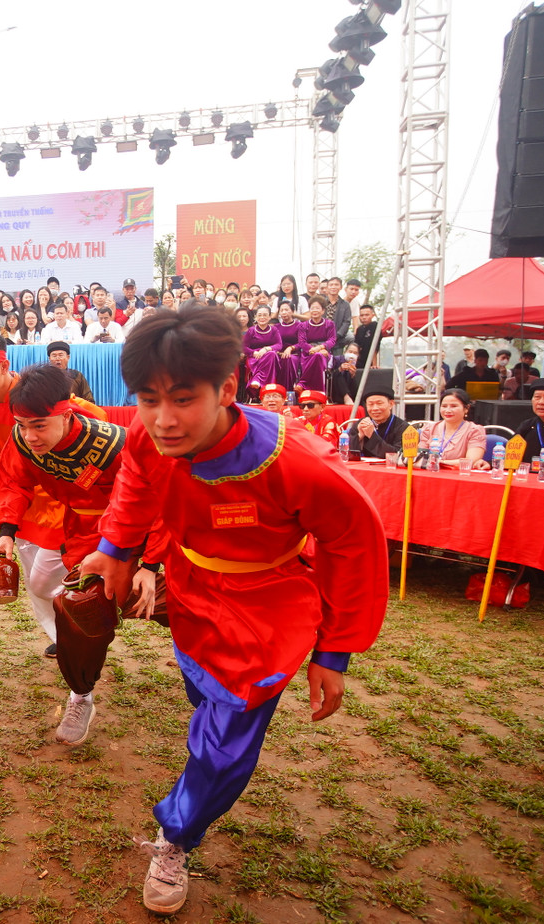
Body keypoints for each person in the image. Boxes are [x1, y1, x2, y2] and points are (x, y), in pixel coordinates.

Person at [77, 307, 387, 915]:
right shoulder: (146, 435)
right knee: (206, 705)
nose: (163, 420)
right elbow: (136, 481)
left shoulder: (298, 462)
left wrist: (334, 650)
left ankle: (176, 836)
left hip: (267, 612)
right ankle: (204, 757)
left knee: (224, 741)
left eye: (183, 399)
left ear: (226, 388)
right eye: (147, 399)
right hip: (191, 594)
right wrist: (116, 550)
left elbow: (355, 543)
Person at [0, 364, 166, 745]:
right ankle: (81, 694)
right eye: (21, 425)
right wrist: (7, 532)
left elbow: (158, 502)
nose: (29, 435)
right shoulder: (22, 440)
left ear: (67, 414)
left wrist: (150, 564)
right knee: (82, 608)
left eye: (39, 424)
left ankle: (209, 670)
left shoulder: (115, 445)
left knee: (172, 602)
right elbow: (13, 482)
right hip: (81, 534)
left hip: (135, 530)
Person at [0, 332, 106, 657]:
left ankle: (89, 610)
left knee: (46, 578)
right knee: (32, 579)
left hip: (57, 500)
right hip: (16, 497)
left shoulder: (37, 393)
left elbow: (94, 418)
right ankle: (64, 635)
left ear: (4, 365)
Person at [419, 388, 489, 469]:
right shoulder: (429, 429)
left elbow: (470, 461)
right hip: (430, 473)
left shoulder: (475, 431)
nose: (448, 410)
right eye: (444, 406)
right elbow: (420, 457)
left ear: (466, 408)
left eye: (453, 406)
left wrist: (440, 462)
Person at [353, 387, 411, 459]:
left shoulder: (404, 428)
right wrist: (359, 436)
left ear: (391, 404)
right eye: (370, 404)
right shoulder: (361, 424)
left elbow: (397, 455)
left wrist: (372, 435)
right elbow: (345, 454)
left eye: (379, 403)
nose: (375, 408)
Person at [297, 296, 335, 392]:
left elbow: (332, 340)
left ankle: (303, 383)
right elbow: (302, 342)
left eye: (317, 308)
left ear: (323, 311)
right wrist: (313, 349)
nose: (314, 310)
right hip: (307, 353)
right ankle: (318, 391)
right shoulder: (303, 325)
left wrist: (320, 348)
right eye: (312, 308)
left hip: (324, 352)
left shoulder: (329, 324)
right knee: (317, 356)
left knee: (318, 356)